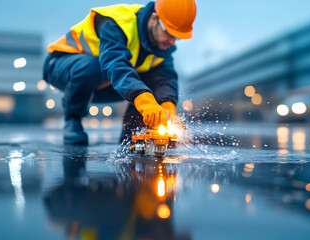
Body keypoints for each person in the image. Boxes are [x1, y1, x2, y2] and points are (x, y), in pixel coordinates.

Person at [43, 0, 197, 145]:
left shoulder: (163, 46)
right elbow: (115, 64)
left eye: (177, 37)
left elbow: (165, 78)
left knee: (150, 86)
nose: (172, 42)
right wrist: (143, 99)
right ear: (154, 18)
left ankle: (133, 136)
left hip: (104, 80)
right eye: (169, 33)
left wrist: (167, 106)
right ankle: (73, 121)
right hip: (61, 66)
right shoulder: (117, 23)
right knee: (94, 67)